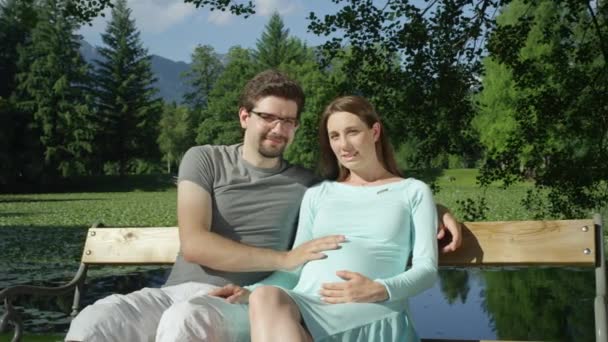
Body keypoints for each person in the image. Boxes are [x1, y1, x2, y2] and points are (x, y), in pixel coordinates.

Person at [65, 70, 460, 341]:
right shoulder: (204, 159)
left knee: (186, 321)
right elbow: (197, 244)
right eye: (268, 117)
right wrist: (285, 261)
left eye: (289, 121)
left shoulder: (308, 185)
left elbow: (370, 194)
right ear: (244, 116)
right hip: (186, 291)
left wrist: (433, 208)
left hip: (243, 304)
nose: (279, 128)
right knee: (95, 320)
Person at [213, 95, 438, 341]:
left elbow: (426, 269)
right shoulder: (318, 194)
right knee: (265, 296)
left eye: (352, 132)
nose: (344, 145)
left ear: (374, 132)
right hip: (309, 304)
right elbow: (295, 268)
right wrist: (249, 291)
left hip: (368, 308)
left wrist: (380, 289)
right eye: (335, 136)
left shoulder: (412, 191)